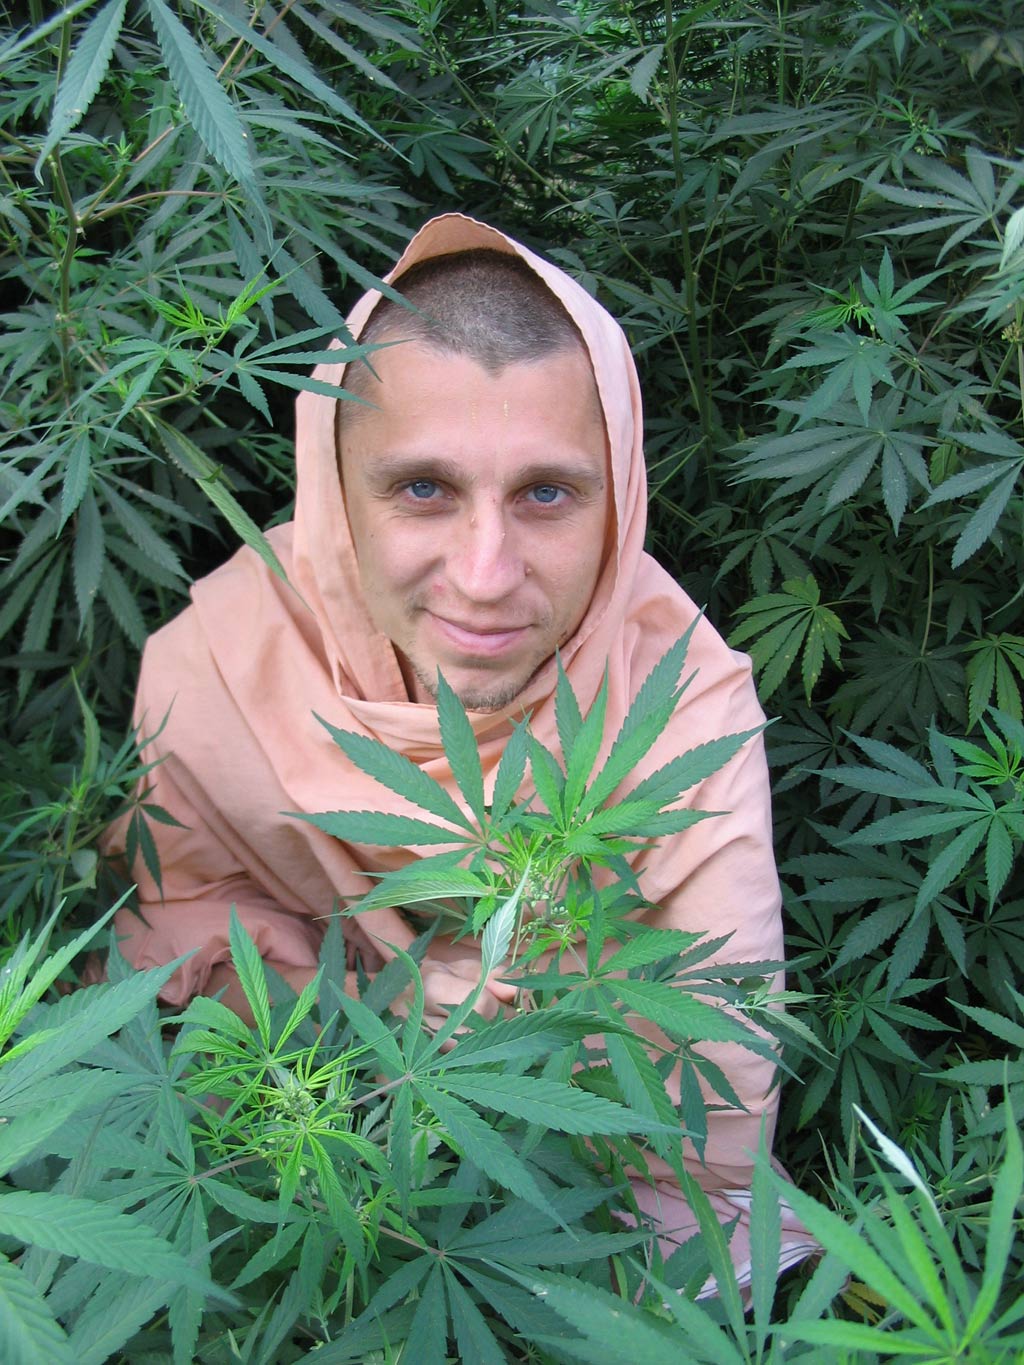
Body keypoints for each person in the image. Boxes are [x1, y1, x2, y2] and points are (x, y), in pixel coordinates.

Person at [105, 212, 814, 1288]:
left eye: (546, 493)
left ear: (620, 496)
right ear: (335, 490)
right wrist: (369, 1016)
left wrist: (517, 1026)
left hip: (581, 1195)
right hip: (303, 1154)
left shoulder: (683, 701)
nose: (485, 576)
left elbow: (708, 1068)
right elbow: (172, 928)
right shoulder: (216, 660)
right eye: (423, 489)